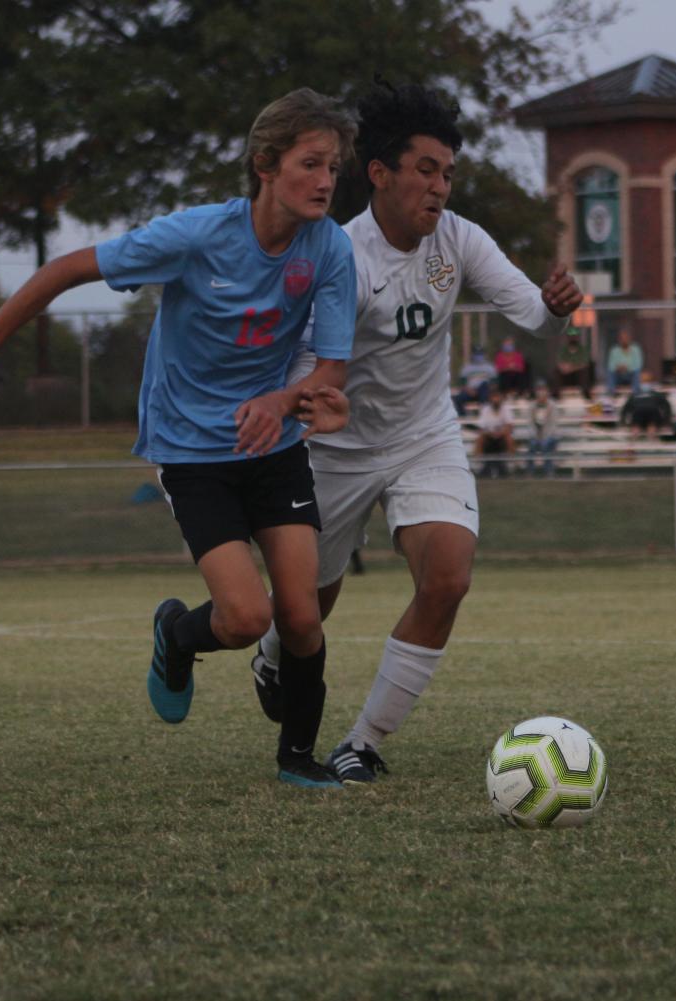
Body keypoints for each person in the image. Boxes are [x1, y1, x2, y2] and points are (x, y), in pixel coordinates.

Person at [0, 89, 357, 789]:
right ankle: (178, 634)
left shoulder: (328, 246)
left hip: (272, 446)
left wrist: (291, 399)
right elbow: (64, 270)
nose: (327, 180)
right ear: (265, 165)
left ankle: (297, 757)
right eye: (311, 163)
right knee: (244, 617)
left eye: (333, 165)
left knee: (300, 614)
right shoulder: (195, 236)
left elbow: (329, 365)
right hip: (191, 451)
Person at [251, 81, 581, 784]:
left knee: (448, 577)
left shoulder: (457, 239)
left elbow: (534, 314)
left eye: (448, 173)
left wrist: (556, 310)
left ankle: (362, 742)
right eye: (426, 170)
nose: (439, 187)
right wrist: (309, 406)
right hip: (334, 451)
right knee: (310, 607)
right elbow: (306, 367)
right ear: (379, 174)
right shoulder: (338, 255)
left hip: (422, 437)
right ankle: (273, 654)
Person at [475, 387, 516, 477]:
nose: (495, 399)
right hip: (489, 436)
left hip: (502, 436)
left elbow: (510, 426)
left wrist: (500, 433)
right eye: (493, 397)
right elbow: (481, 428)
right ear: (490, 398)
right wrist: (490, 433)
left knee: (509, 437)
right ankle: (478, 465)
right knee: (480, 438)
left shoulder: (506, 409)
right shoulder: (485, 409)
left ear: (501, 398)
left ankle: (511, 465)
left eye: (497, 397)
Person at [526, 381, 562, 476]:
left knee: (546, 444)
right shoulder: (531, 406)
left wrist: (544, 437)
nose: (541, 393)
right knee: (532, 444)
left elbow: (554, 425)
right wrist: (536, 436)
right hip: (536, 436)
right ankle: (530, 472)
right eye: (539, 390)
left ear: (547, 392)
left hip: (550, 436)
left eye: (543, 390)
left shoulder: (552, 406)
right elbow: (530, 424)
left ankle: (549, 471)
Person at [620, 375, 672, 440]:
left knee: (639, 423)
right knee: (650, 423)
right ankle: (650, 439)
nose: (645, 384)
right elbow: (666, 406)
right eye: (644, 382)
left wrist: (623, 421)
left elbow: (625, 409)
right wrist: (666, 420)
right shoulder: (655, 394)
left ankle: (633, 441)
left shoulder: (636, 395)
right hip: (647, 413)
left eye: (646, 382)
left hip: (643, 413)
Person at [451, 348, 497, 415]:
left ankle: (483, 416)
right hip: (470, 392)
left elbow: (494, 384)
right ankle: (464, 419)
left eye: (480, 354)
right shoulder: (467, 367)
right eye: (476, 354)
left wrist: (489, 389)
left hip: (485, 393)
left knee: (484, 385)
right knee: (456, 399)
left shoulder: (490, 367)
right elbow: (461, 384)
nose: (478, 356)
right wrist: (469, 390)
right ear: (472, 355)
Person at [555, 329, 595, 399]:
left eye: (574, 336)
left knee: (584, 371)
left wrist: (571, 368)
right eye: (571, 336)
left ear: (577, 337)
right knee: (556, 372)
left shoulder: (582, 349)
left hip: (578, 377)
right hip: (566, 376)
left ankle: (586, 393)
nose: (572, 338)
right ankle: (556, 395)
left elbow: (585, 364)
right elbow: (560, 364)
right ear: (568, 337)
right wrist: (572, 366)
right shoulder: (563, 350)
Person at [605, 329, 643, 397]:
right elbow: (610, 366)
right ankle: (612, 395)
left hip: (630, 375)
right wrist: (618, 368)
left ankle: (635, 395)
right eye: (622, 338)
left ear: (629, 339)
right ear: (619, 340)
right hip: (618, 375)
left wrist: (626, 368)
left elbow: (638, 365)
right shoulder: (614, 350)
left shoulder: (636, 349)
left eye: (626, 338)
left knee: (637, 372)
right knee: (610, 372)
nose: (624, 340)